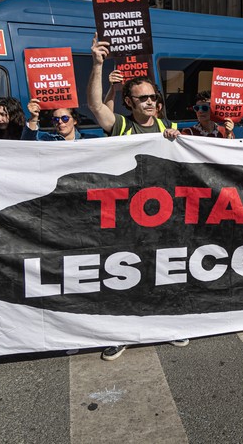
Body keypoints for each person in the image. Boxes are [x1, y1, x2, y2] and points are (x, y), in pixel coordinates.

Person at [87, 36, 185, 360]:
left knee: (161, 270)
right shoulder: (120, 126)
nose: (148, 102)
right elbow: (95, 107)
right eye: (141, 98)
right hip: (125, 214)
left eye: (152, 97)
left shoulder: (168, 127)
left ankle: (165, 325)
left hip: (160, 214)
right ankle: (120, 333)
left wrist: (177, 140)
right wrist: (98, 65)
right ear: (129, 102)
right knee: (122, 273)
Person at [22, 99, 89, 141]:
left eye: (65, 118)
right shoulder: (47, 140)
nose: (60, 121)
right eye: (56, 119)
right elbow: (28, 146)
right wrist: (34, 117)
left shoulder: (87, 140)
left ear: (75, 121)